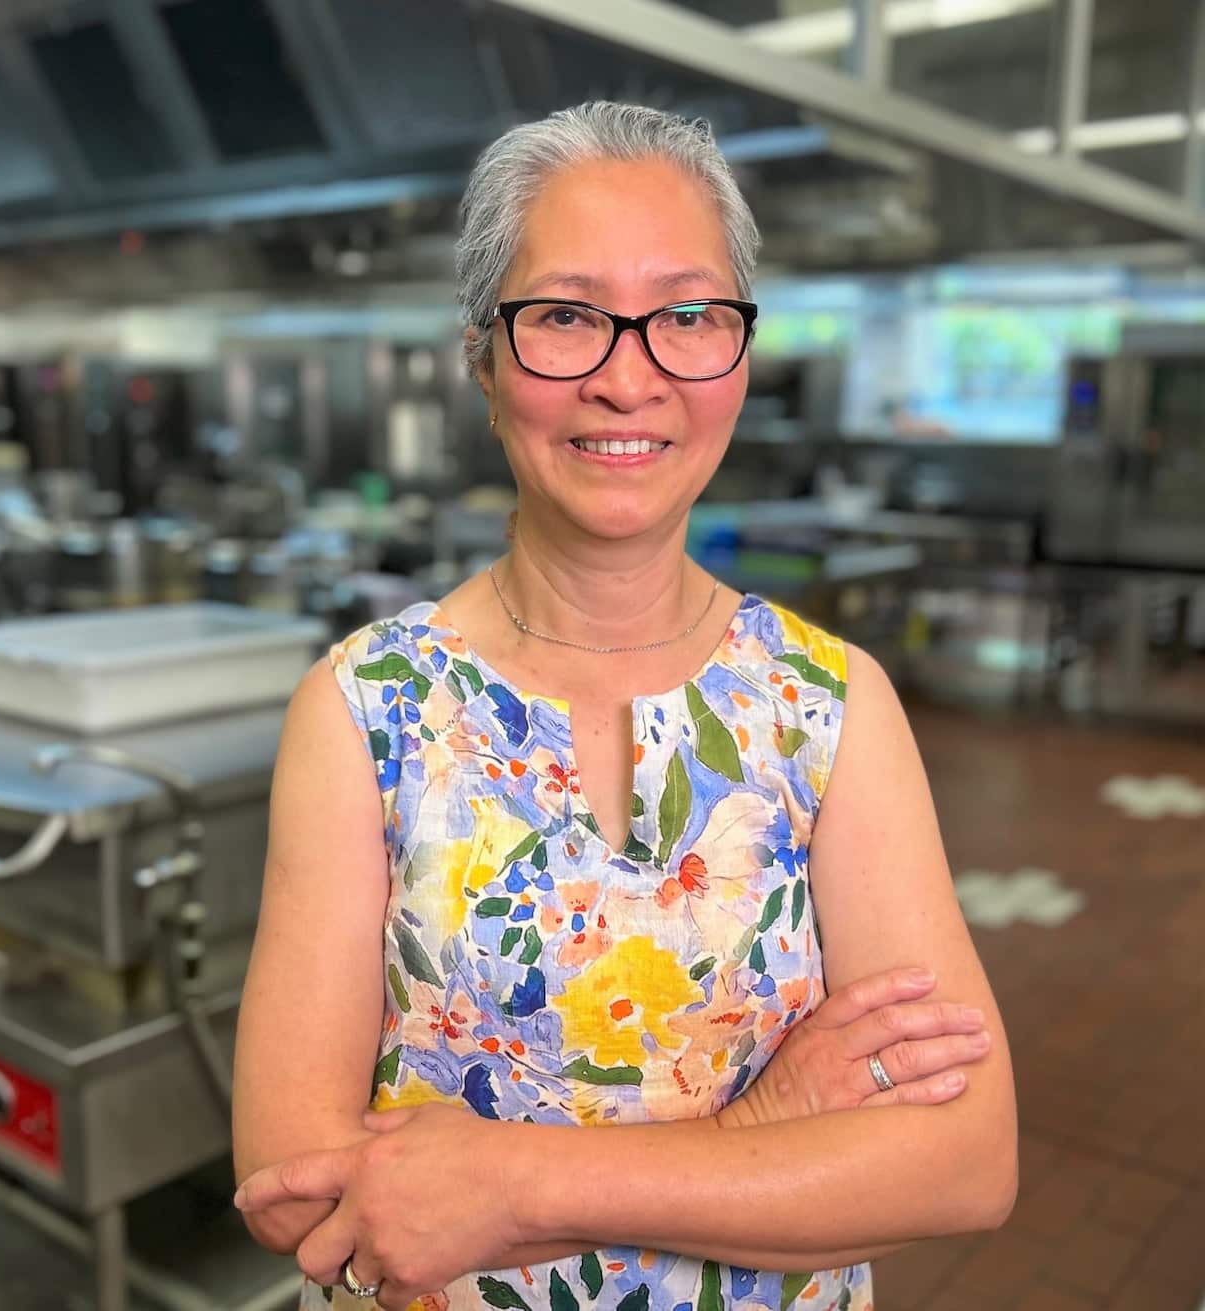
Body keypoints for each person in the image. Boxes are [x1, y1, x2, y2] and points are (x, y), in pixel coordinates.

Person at [231, 102, 1017, 1311]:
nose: (627, 376)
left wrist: (505, 1181)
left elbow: (962, 1165)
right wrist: (775, 1132)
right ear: (481, 358)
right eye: (563, 316)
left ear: (737, 362)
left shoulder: (829, 706)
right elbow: (298, 1189)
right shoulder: (361, 714)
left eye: (687, 316)